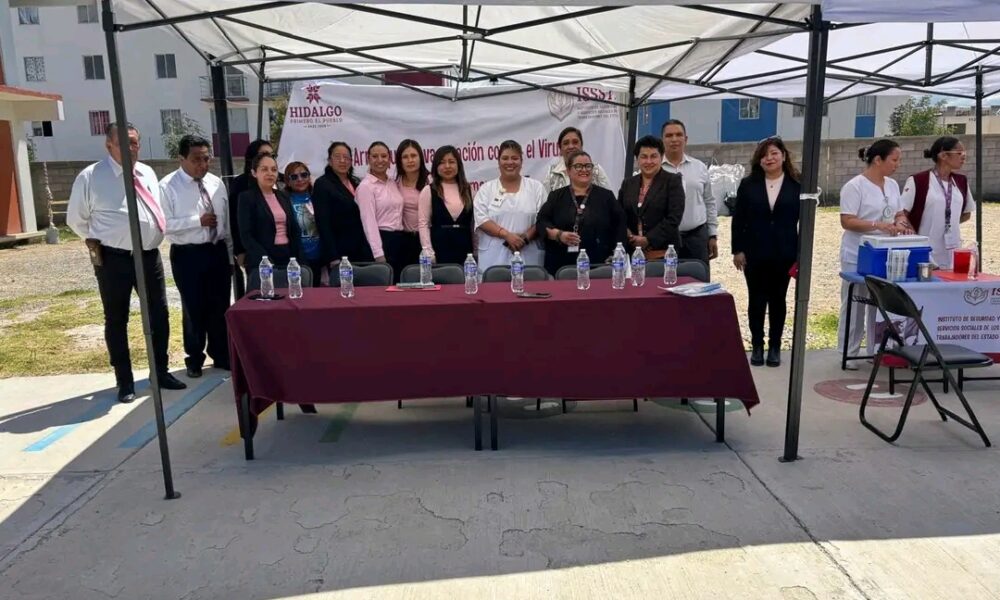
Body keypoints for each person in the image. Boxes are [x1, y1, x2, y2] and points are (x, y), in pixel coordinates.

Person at [67, 123, 187, 403]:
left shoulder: (146, 172)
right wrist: (104, 239)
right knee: (117, 318)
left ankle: (160, 372)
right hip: (114, 259)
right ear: (109, 145)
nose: (131, 148)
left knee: (159, 314)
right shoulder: (91, 177)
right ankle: (124, 381)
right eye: (123, 142)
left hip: (148, 256)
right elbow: (76, 220)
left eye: (134, 142)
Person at [160, 134, 232, 378]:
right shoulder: (168, 186)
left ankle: (221, 353)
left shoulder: (216, 183)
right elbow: (164, 225)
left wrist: (229, 253)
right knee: (193, 306)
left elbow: (226, 222)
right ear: (181, 159)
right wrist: (196, 221)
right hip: (188, 254)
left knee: (220, 304)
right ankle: (194, 357)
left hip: (216, 250)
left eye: (206, 159)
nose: (202, 164)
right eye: (196, 160)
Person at [838, 139, 911, 366]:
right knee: (855, 304)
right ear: (878, 160)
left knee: (879, 303)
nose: (897, 165)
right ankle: (849, 352)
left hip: (885, 252)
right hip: (858, 252)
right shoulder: (855, 186)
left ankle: (876, 350)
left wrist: (900, 222)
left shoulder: (892, 185)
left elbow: (899, 212)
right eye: (894, 160)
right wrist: (877, 225)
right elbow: (847, 220)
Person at [731, 137, 801, 368]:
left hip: (785, 252)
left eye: (773, 153)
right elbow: (738, 220)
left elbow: (805, 221)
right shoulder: (748, 184)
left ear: (783, 155)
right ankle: (757, 345)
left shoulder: (797, 184)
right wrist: (737, 249)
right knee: (756, 299)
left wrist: (801, 255)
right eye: (764, 155)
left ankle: (775, 346)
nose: (769, 158)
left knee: (778, 299)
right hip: (754, 252)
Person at [538, 149, 627, 275]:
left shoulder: (606, 196)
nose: (584, 170)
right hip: (561, 266)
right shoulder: (556, 196)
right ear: (568, 171)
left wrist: (616, 254)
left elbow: (620, 225)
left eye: (588, 166)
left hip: (599, 265)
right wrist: (559, 235)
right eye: (578, 166)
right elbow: (541, 222)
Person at [900, 136, 976, 269]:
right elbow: (902, 214)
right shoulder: (918, 181)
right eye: (959, 153)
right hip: (925, 251)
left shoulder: (961, 181)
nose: (964, 156)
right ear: (943, 155)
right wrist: (914, 237)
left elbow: (966, 214)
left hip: (952, 249)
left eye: (964, 153)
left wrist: (945, 223)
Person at [474, 140, 547, 272]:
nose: (510, 162)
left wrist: (524, 238)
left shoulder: (536, 188)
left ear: (521, 161)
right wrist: (507, 236)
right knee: (495, 284)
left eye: (515, 158)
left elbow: (544, 219)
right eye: (505, 158)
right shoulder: (486, 189)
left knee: (530, 283)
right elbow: (481, 219)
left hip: (528, 253)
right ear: (498, 162)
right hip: (493, 257)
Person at [661, 119, 719, 274]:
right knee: (666, 281)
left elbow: (709, 202)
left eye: (678, 135)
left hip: (696, 237)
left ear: (686, 139)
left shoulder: (699, 168)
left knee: (698, 281)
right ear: (662, 140)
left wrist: (712, 234)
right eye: (669, 135)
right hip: (664, 240)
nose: (674, 139)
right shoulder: (655, 170)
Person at [618, 135, 685, 259]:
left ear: (661, 157)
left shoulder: (672, 181)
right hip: (632, 252)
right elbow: (619, 214)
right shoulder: (628, 183)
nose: (648, 161)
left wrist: (648, 239)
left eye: (653, 156)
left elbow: (674, 217)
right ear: (637, 159)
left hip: (664, 253)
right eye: (644, 157)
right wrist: (628, 234)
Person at [312, 141, 373, 272]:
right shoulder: (322, 184)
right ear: (329, 161)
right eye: (337, 157)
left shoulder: (355, 182)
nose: (342, 161)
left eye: (346, 157)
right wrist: (333, 256)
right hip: (340, 252)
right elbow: (323, 222)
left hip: (361, 248)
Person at [237, 153, 303, 274]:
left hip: (287, 255)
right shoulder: (247, 198)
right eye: (264, 169)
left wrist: (295, 256)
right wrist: (265, 259)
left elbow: (294, 229)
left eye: (274, 169)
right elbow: (246, 235)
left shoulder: (283, 196)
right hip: (262, 259)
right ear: (254, 173)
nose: (270, 173)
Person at [229, 139, 274, 296]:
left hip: (281, 251)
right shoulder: (241, 184)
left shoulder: (279, 182)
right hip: (255, 251)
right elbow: (234, 220)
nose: (268, 158)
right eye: (263, 154)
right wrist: (240, 251)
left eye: (272, 154)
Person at [356, 141, 407, 281]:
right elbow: (369, 222)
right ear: (368, 159)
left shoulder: (392, 182)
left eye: (384, 156)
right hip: (381, 242)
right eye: (375, 156)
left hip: (398, 241)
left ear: (389, 159)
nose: (380, 160)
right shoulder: (366, 187)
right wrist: (378, 254)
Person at [418, 145, 475, 265]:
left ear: (458, 165)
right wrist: (428, 252)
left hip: (466, 250)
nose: (447, 166)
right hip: (439, 250)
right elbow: (423, 224)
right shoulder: (428, 191)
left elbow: (474, 224)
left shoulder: (469, 190)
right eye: (442, 162)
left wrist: (476, 251)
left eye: (451, 162)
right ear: (436, 166)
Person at [283, 161, 323, 286]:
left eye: (304, 175)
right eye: (294, 177)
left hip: (320, 257)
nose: (300, 179)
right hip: (296, 258)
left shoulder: (318, 197)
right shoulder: (283, 201)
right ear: (288, 181)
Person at [543, 126, 612, 193]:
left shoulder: (596, 170)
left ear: (581, 146)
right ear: (560, 149)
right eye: (566, 143)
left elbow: (608, 198)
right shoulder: (552, 173)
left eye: (575, 142)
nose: (571, 146)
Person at [396, 139, 428, 269]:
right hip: (404, 240)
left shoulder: (430, 181)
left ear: (421, 158)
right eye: (405, 157)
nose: (410, 160)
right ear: (399, 161)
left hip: (427, 239)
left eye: (413, 155)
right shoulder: (396, 182)